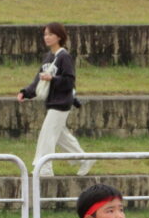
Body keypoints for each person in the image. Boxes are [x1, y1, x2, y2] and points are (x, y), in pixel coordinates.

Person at [17, 22, 94, 177]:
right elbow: (38, 80)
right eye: (45, 34)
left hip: (61, 103)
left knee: (47, 135)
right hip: (53, 102)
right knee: (61, 136)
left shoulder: (64, 57)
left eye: (50, 34)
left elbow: (69, 81)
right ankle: (84, 159)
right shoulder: (48, 57)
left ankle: (44, 168)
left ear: (59, 36)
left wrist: (52, 78)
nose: (47, 37)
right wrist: (25, 93)